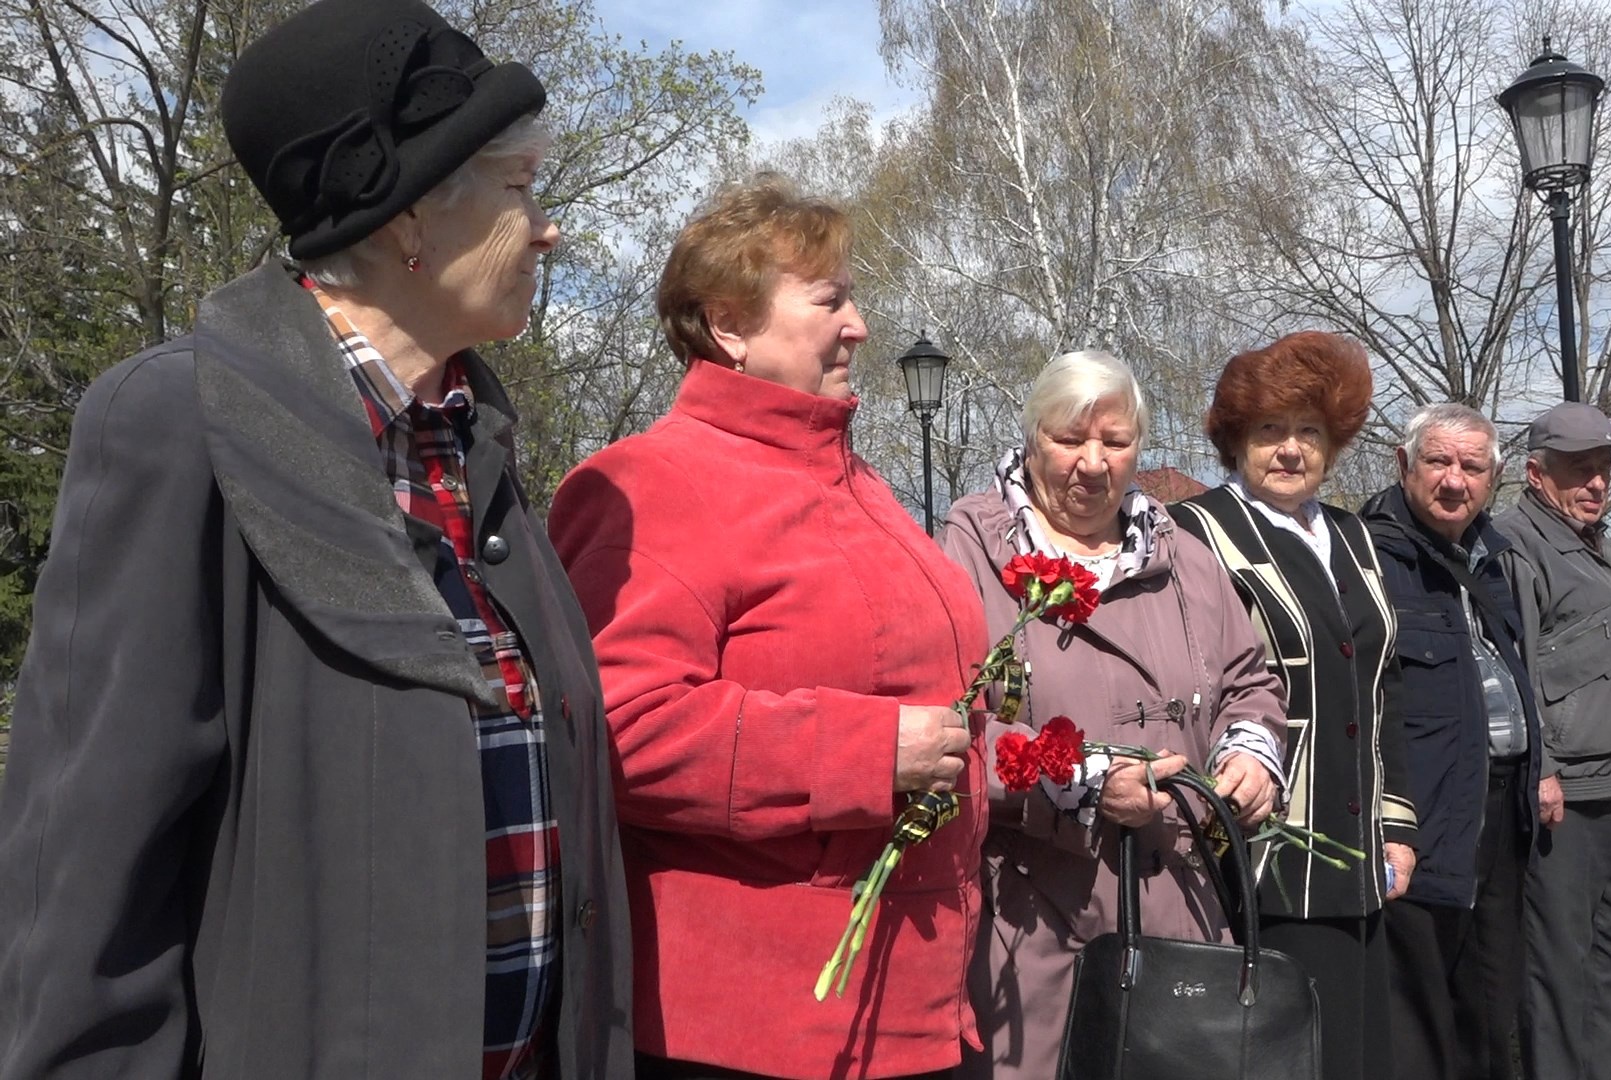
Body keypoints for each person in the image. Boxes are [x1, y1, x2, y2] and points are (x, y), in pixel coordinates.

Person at [0, 2, 635, 1076]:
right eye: (519, 189)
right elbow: (85, 877)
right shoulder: (178, 425)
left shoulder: (473, 446)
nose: (548, 229)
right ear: (407, 220)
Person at [547, 176, 988, 1079]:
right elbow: (619, 730)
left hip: (918, 1006)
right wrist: (867, 753)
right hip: (759, 1027)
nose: (859, 325)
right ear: (729, 324)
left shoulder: (862, 485)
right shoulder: (649, 484)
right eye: (829, 300)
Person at [942, 350, 1287, 1080]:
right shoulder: (972, 548)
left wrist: (1250, 754)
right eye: (1070, 439)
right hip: (1032, 920)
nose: (1093, 464)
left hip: (1180, 912)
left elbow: (1248, 683)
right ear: (1032, 437)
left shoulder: (1184, 556)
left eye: (1117, 441)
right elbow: (954, 723)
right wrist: (1089, 782)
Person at [1167, 332, 1415, 1080]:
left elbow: (1384, 687)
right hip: (1263, 846)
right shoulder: (1196, 531)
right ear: (1235, 440)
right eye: (1269, 429)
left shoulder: (1355, 537)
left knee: (1355, 1048)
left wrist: (1395, 826)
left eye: (1309, 431)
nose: (1289, 449)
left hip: (1357, 845)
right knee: (1281, 1049)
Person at [1360, 404, 1542, 1080]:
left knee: (1490, 998)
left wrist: (1541, 772)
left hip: (1502, 808)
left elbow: (1513, 673)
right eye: (1438, 461)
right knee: (1422, 1004)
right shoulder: (1368, 555)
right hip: (1421, 811)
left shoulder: (1494, 554)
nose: (1454, 480)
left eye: (1472, 466)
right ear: (1404, 464)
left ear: (1494, 477)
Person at [1494, 403, 1611, 1080]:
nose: (1596, 482)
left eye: (1603, 468)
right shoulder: (1517, 544)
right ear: (1535, 472)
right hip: (1566, 795)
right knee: (1561, 966)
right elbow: (1516, 668)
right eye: (1578, 469)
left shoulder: (1603, 546)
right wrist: (1541, 767)